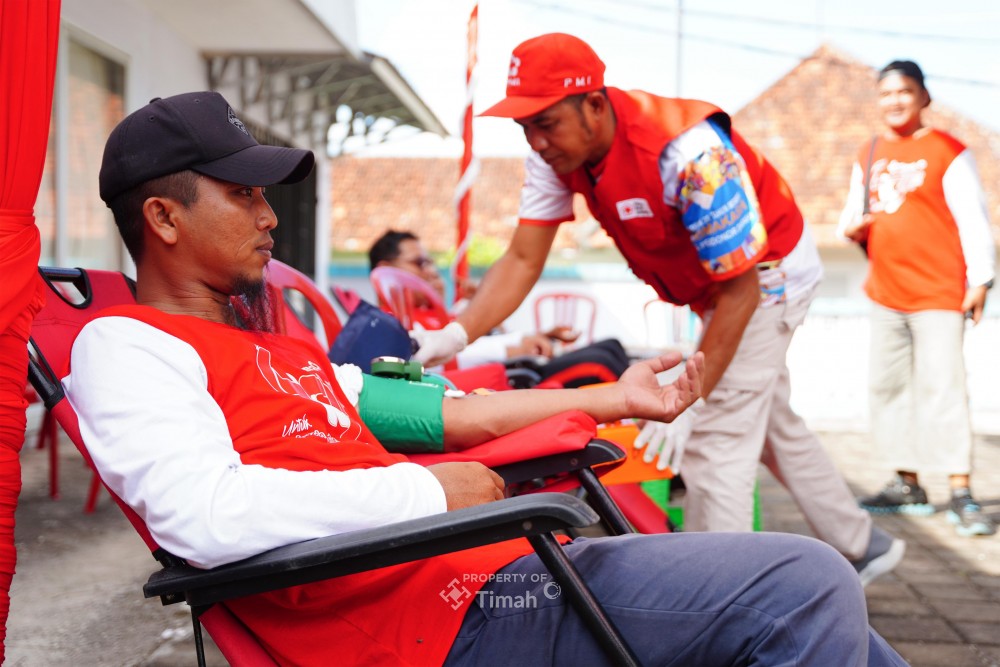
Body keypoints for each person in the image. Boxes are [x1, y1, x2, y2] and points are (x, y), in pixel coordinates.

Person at [61, 91, 909, 666]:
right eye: (241, 193)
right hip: (430, 618)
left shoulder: (287, 352)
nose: (269, 214)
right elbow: (204, 516)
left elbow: (442, 413)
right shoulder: (124, 347)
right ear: (163, 216)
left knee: (841, 628)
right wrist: (433, 498)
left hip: (484, 566)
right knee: (805, 582)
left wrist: (613, 397)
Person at [410, 32, 905, 582]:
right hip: (715, 287)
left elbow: (740, 290)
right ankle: (861, 544)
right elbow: (524, 258)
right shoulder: (554, 155)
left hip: (768, 275)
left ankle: (726, 601)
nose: (535, 141)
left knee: (715, 439)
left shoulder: (691, 153)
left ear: (594, 105)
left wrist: (690, 402)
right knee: (765, 421)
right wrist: (454, 336)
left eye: (544, 123)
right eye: (523, 127)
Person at [838, 61, 996, 537]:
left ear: (923, 97)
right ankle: (907, 483)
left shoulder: (948, 151)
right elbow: (850, 218)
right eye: (886, 93)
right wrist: (853, 228)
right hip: (885, 292)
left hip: (938, 292)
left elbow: (973, 217)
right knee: (887, 390)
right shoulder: (868, 153)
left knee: (942, 390)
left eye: (904, 92)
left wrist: (981, 280)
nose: (895, 101)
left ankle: (961, 490)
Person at [369, 229, 631, 386]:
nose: (431, 270)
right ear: (386, 269)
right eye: (419, 263)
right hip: (497, 382)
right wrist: (512, 345)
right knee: (602, 362)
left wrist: (529, 337)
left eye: (430, 262)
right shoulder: (393, 322)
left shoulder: (428, 314)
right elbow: (437, 363)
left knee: (611, 345)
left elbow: (478, 339)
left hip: (504, 370)